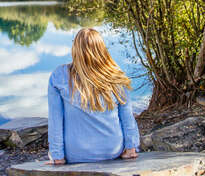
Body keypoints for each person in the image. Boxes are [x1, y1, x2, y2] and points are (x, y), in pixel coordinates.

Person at [47, 28, 140, 165]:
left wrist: (57, 156)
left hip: (76, 153)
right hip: (112, 149)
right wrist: (131, 148)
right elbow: (127, 116)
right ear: (102, 49)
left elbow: (55, 120)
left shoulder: (59, 75)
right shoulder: (116, 76)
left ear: (75, 49)